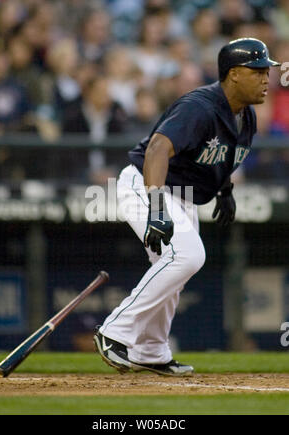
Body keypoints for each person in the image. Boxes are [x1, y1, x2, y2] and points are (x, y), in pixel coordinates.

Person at [94, 38, 280, 376]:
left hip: (184, 194)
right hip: (147, 182)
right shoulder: (200, 106)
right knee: (188, 255)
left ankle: (150, 349)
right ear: (235, 74)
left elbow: (221, 156)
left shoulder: (246, 116)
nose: (267, 77)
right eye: (258, 71)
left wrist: (224, 190)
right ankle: (115, 331)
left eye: (268, 71)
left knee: (174, 269)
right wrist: (156, 207)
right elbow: (156, 150)